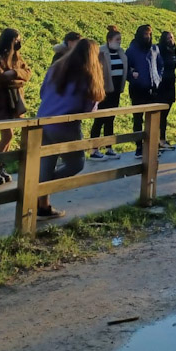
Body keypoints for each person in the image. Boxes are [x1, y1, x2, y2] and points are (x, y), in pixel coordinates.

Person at [35, 38, 106, 220]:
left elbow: (43, 92)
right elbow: (89, 109)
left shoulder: (57, 67)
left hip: (41, 122)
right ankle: (39, 192)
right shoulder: (88, 74)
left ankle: (42, 206)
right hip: (65, 125)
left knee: (46, 165)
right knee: (76, 163)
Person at [0, 28, 31, 184]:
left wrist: (13, 74)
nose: (19, 42)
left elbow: (27, 73)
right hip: (0, 103)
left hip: (14, 103)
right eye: (17, 40)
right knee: (8, 135)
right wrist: (17, 76)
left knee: (9, 136)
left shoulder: (16, 57)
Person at [89, 26, 129, 161]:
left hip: (116, 91)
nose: (119, 42)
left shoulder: (120, 52)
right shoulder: (100, 52)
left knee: (110, 119)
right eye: (117, 39)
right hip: (104, 91)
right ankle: (94, 150)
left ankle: (109, 148)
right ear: (109, 40)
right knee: (99, 120)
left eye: (120, 40)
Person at [125, 24, 164, 158]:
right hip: (137, 89)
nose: (147, 37)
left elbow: (160, 65)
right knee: (138, 119)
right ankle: (139, 147)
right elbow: (126, 69)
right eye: (145, 35)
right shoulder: (131, 50)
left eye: (149, 34)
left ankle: (153, 146)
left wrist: (158, 78)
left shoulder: (154, 48)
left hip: (152, 88)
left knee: (153, 119)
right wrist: (132, 77)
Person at [157, 31, 176, 150]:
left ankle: (162, 139)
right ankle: (158, 140)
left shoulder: (174, 50)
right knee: (161, 115)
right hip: (161, 85)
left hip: (171, 84)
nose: (170, 39)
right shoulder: (159, 50)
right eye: (168, 38)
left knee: (165, 114)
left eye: (172, 37)